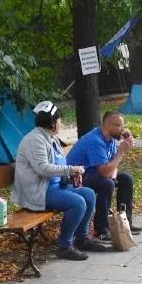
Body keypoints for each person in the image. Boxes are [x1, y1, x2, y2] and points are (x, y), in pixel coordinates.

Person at [13, 101, 110, 260]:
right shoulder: (35, 140)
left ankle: (82, 239)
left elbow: (59, 165)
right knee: (77, 202)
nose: (61, 123)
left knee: (89, 194)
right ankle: (64, 246)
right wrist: (70, 169)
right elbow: (42, 168)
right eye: (59, 120)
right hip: (39, 192)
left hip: (55, 187)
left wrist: (69, 177)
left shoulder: (52, 139)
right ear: (52, 123)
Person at [67, 110, 142, 241]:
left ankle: (124, 223)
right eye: (119, 125)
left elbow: (112, 165)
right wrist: (121, 152)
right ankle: (101, 229)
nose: (122, 129)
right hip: (75, 177)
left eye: (123, 125)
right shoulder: (95, 141)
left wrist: (113, 175)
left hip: (93, 172)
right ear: (107, 125)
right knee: (106, 184)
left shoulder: (111, 138)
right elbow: (105, 171)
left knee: (125, 179)